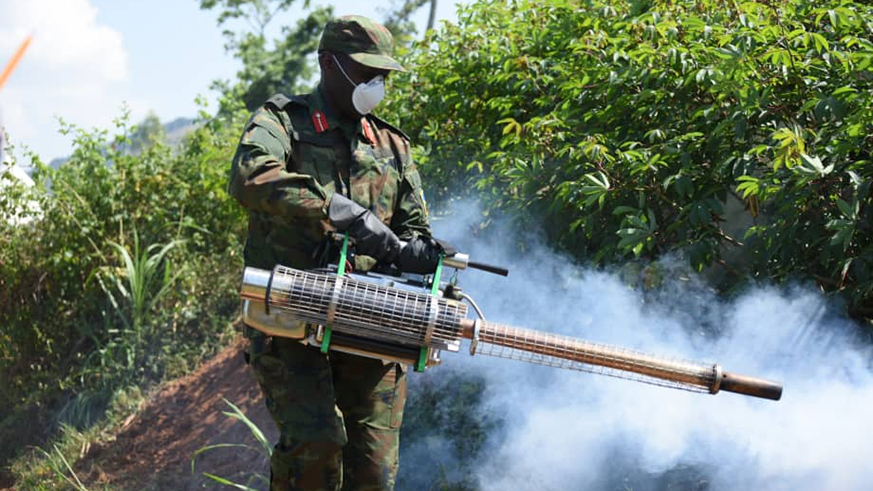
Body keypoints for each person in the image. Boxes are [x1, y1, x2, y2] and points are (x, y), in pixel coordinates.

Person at [227, 14, 445, 491]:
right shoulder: (283, 121)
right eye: (366, 71)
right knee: (317, 445)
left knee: (373, 472)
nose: (375, 83)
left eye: (382, 75)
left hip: (371, 323)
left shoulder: (392, 146)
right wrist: (336, 210)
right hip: (290, 317)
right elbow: (249, 177)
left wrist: (416, 251)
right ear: (328, 64)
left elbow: (415, 228)